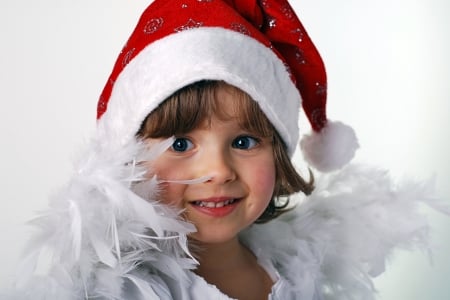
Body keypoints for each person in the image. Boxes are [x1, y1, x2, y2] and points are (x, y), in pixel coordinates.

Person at [4, 0, 444, 299]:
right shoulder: (109, 288)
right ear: (125, 161)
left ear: (279, 152)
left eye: (244, 141)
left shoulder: (303, 266)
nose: (217, 170)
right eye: (180, 143)